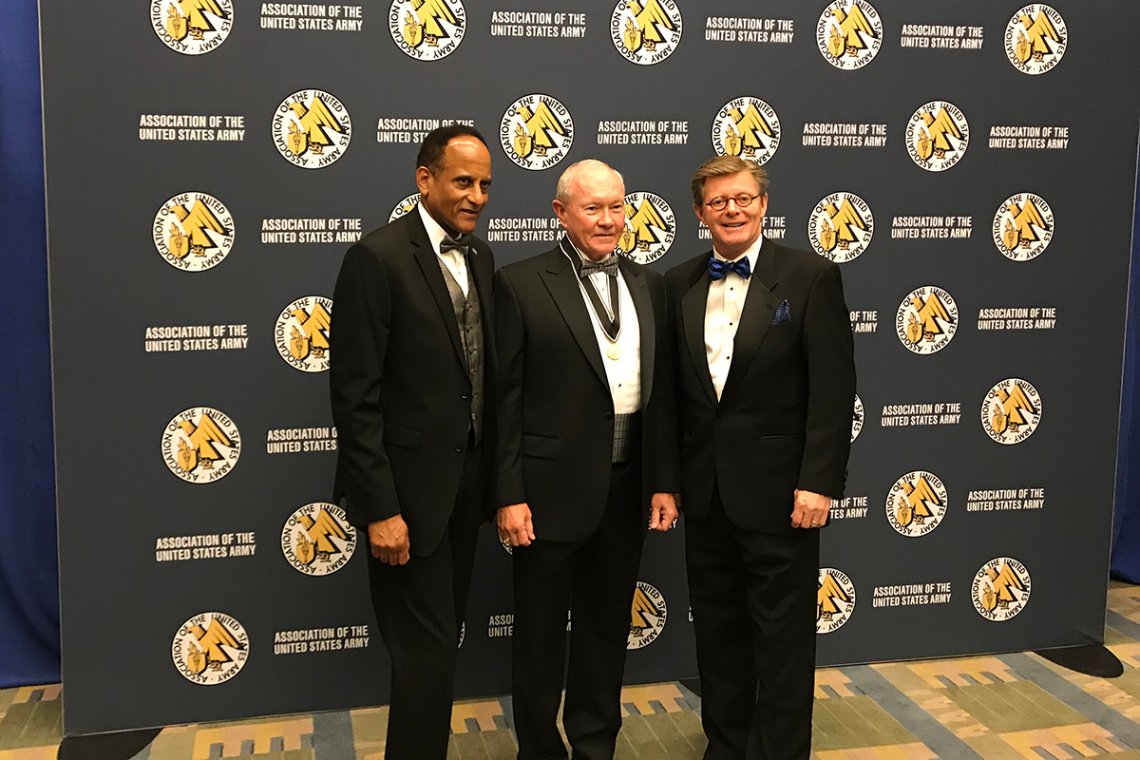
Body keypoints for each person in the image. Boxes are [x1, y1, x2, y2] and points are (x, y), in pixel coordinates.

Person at [663, 155, 855, 760]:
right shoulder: (677, 284)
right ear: (699, 213)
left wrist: (818, 482)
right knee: (718, 639)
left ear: (764, 204)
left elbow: (833, 391)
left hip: (783, 498)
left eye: (743, 198)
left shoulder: (810, 276)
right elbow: (670, 399)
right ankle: (724, 747)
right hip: (707, 496)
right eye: (718, 202)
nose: (732, 210)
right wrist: (668, 483)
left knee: (783, 642)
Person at [495, 159, 679, 760]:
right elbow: (504, 400)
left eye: (618, 206)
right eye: (593, 207)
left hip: (627, 492)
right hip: (545, 495)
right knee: (540, 637)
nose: (609, 219)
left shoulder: (652, 284)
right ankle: (540, 750)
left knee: (605, 630)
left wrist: (661, 481)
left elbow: (664, 394)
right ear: (561, 213)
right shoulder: (520, 282)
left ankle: (596, 744)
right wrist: (508, 492)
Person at [328, 124, 496, 760]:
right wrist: (381, 510)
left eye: (484, 184)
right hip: (404, 502)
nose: (476, 196)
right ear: (424, 180)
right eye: (462, 181)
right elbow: (355, 398)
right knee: (425, 657)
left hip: (461, 497)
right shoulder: (376, 259)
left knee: (435, 651)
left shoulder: (480, 257)